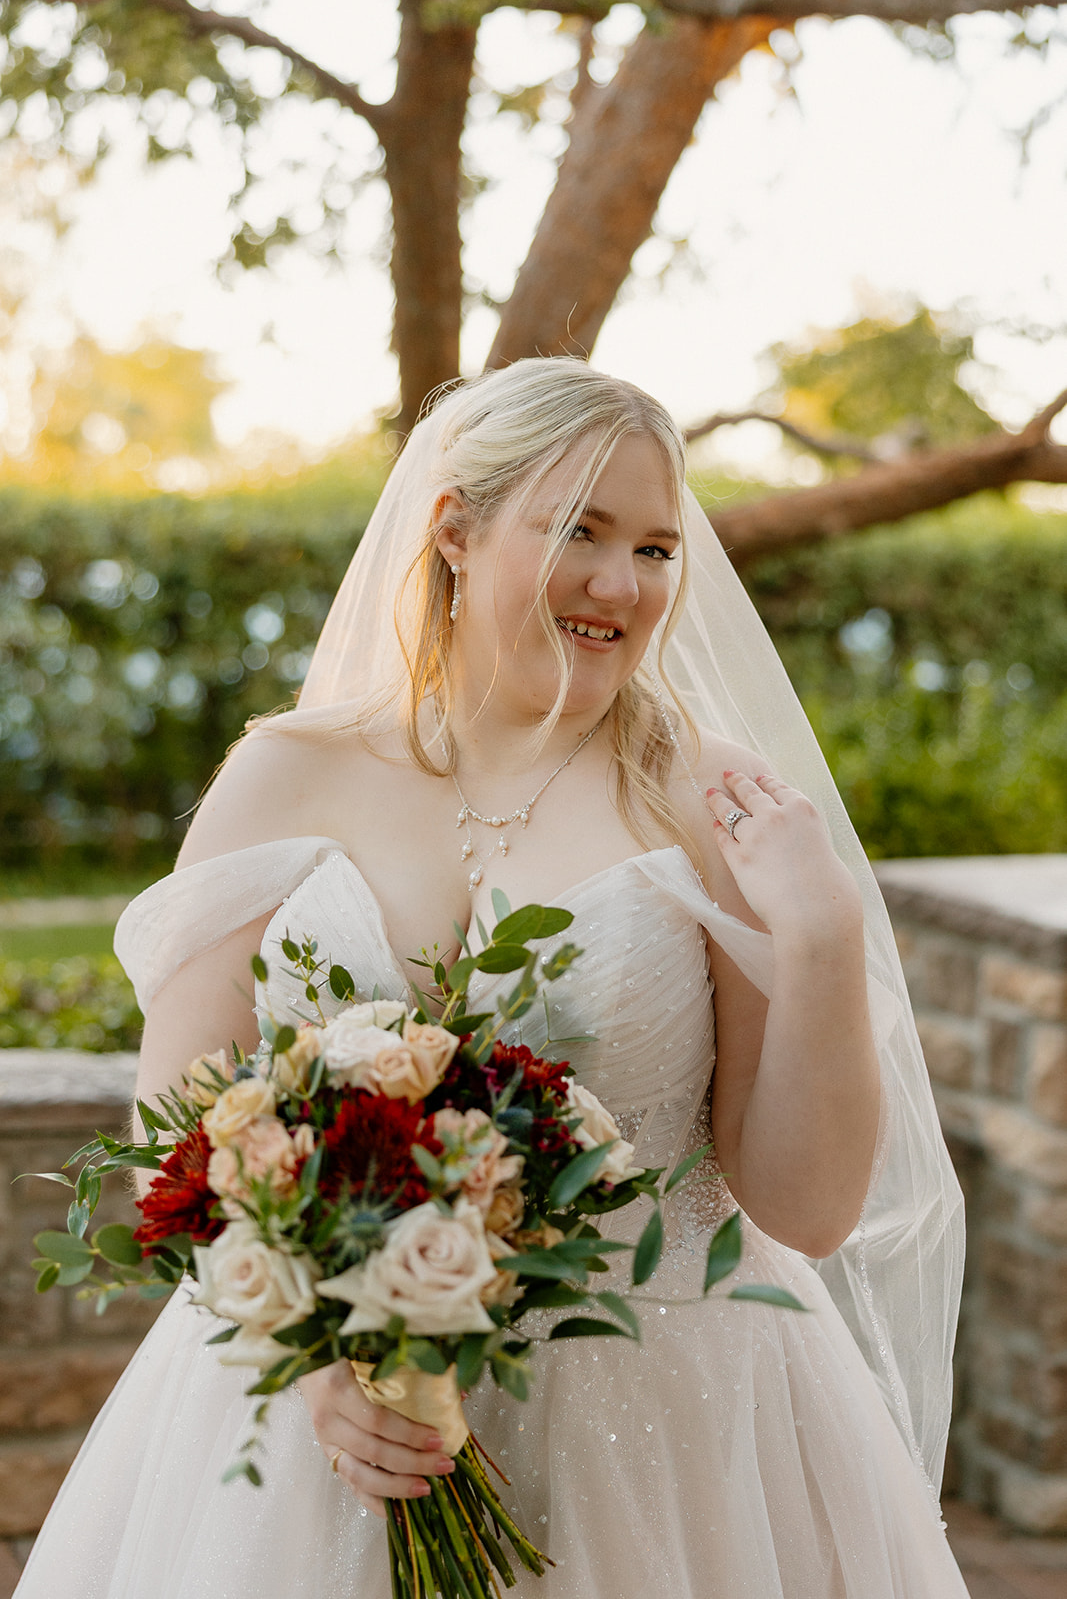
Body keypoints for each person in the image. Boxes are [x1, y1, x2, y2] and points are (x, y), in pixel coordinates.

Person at [15, 358, 970, 1597]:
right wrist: (324, 1363)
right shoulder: (283, 775)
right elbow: (177, 1137)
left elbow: (805, 1209)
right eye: (579, 528)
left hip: (664, 1416)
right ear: (455, 531)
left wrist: (823, 936)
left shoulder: (715, 804)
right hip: (330, 1433)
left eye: (656, 548)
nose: (620, 584)